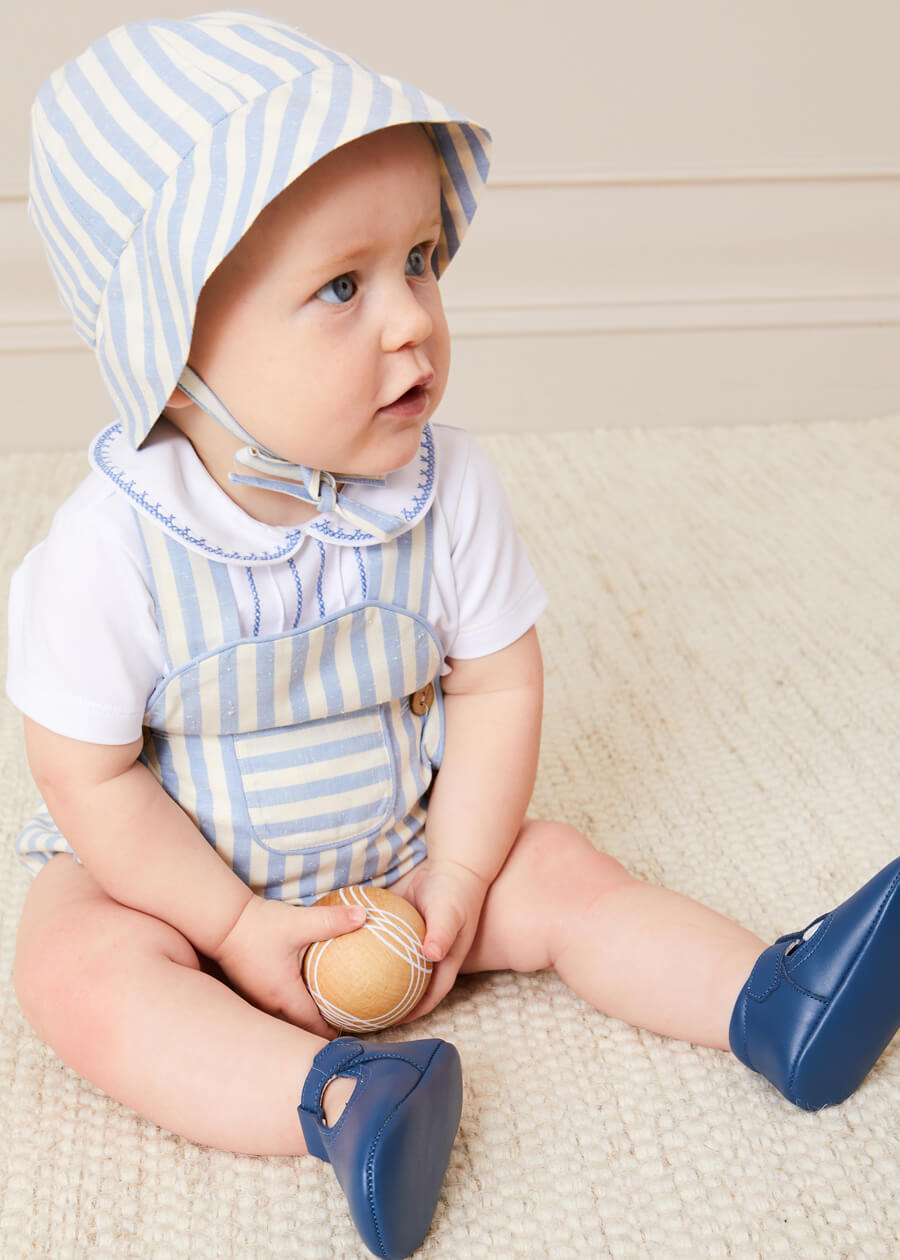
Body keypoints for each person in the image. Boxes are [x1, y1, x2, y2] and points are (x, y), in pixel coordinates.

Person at [9, 13, 900, 1259]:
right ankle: (338, 1101)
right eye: (341, 286)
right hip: (187, 890)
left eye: (422, 259)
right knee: (71, 968)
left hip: (405, 855)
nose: (411, 320)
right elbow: (88, 774)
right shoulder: (114, 550)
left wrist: (465, 879)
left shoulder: (444, 488)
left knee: (566, 871)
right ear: (174, 357)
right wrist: (230, 928)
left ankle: (770, 1003)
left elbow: (492, 686)